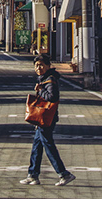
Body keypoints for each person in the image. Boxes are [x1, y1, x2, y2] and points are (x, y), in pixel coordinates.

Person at [20, 52, 75, 187]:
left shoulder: (49, 80)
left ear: (48, 66)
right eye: (36, 66)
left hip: (46, 118)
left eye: (41, 65)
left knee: (48, 146)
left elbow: (52, 97)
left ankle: (63, 173)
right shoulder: (45, 78)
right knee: (37, 147)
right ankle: (33, 175)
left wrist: (40, 91)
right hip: (44, 118)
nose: (39, 68)